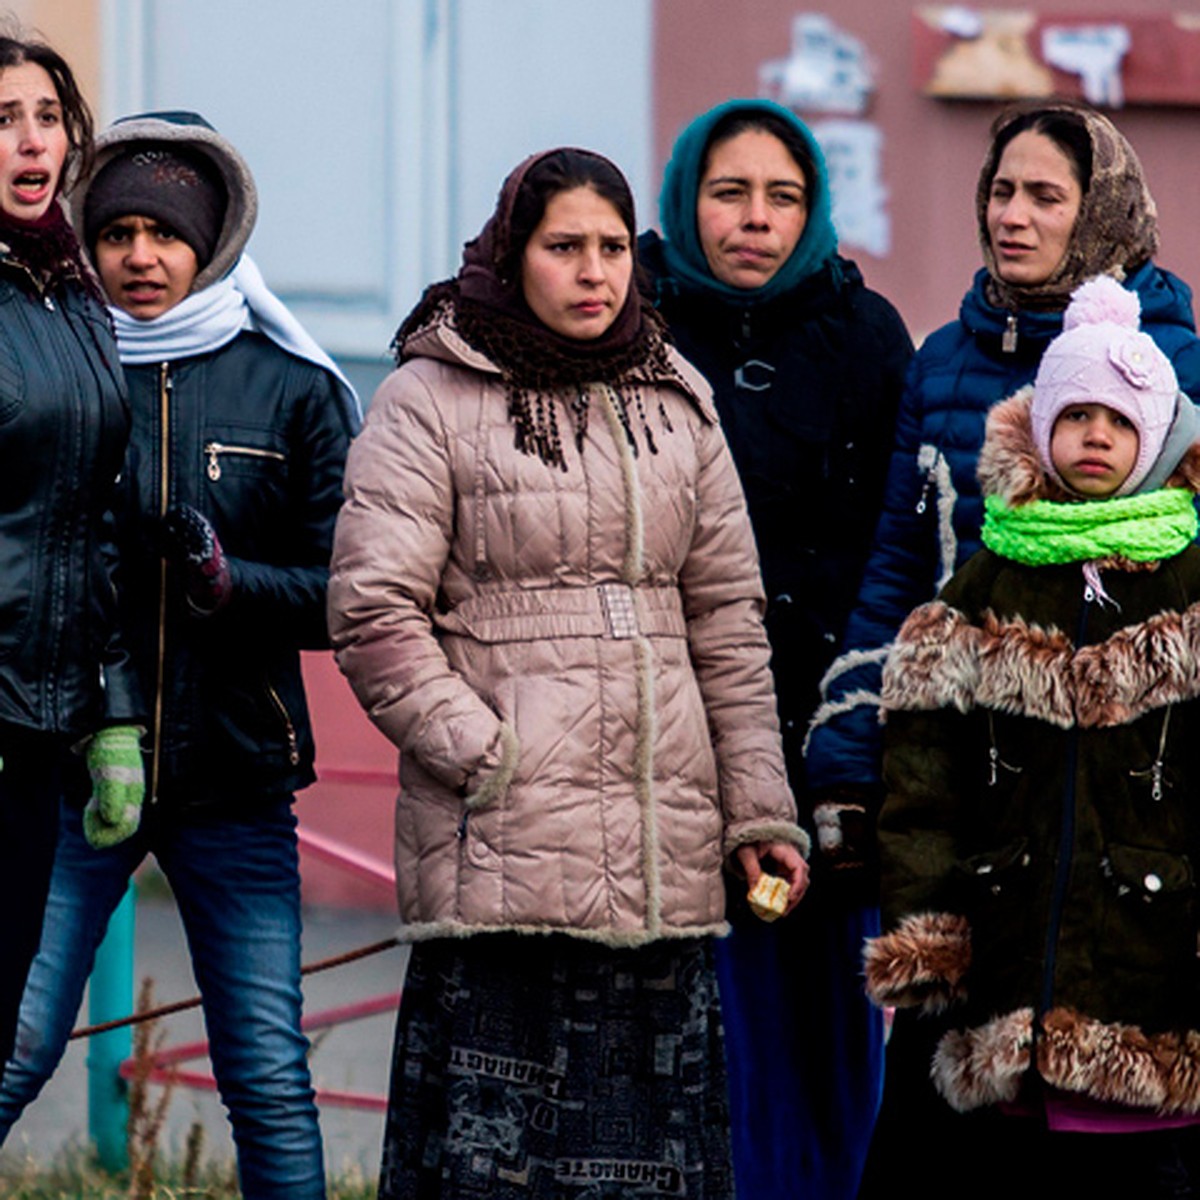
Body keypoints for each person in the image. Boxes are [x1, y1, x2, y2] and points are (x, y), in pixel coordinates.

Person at [327, 146, 808, 1200]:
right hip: (506, 863)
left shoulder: (676, 400)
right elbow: (373, 612)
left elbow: (727, 621)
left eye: (612, 249)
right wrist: (486, 753)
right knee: (494, 1170)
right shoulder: (429, 398)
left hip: (660, 863)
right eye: (564, 248)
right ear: (514, 255)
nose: (594, 272)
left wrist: (758, 808)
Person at [798, 99, 1200, 1189]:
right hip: (969, 775)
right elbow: (894, 568)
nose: (1012, 216)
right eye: (1000, 191)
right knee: (948, 1119)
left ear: (1102, 209)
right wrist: (846, 759)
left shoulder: (1173, 368)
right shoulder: (942, 360)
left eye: (1045, 196)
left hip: (1125, 805)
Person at [0, 111, 359, 1200]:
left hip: (236, 779)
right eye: (116, 235)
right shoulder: (69, 366)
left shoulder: (292, 386)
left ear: (208, 243)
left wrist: (230, 582)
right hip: (76, 765)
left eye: (165, 234)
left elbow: (348, 591)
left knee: (265, 1073)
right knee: (14, 1044)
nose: (140, 257)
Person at [866, 274, 1200, 1197]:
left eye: (1121, 421)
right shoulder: (980, 593)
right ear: (1041, 425)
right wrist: (926, 934)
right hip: (1005, 982)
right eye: (1077, 414)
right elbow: (921, 785)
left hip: (1152, 985)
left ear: (1156, 439)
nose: (1096, 435)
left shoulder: (1192, 589)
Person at [638, 98, 912, 1199]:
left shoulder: (865, 334)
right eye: (729, 192)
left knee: (832, 1028)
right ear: (686, 198)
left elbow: (899, 541)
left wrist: (857, 726)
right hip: (675, 739)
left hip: (835, 743)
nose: (754, 219)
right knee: (710, 1033)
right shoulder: (635, 326)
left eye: (783, 196)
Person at [0, 33, 141, 1074]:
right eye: (2, 120)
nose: (31, 141)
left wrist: (113, 712)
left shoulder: (71, 293)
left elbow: (95, 521)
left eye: (47, 117)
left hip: (40, 728)